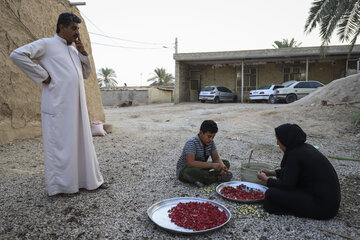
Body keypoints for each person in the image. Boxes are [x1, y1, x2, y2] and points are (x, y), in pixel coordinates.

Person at [10, 13, 108, 196]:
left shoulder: (73, 50)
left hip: (77, 108)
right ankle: (63, 187)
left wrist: (83, 52)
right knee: (61, 147)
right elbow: (17, 55)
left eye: (78, 29)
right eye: (73, 28)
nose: (77, 33)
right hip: (58, 107)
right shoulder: (46, 44)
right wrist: (43, 76)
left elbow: (86, 74)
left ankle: (88, 181)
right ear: (61, 27)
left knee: (81, 144)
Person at [257, 123, 341, 219]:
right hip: (328, 204)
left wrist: (267, 180)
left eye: (278, 140)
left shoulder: (294, 155)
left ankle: (290, 210)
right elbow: (293, 172)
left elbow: (287, 185)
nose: (277, 143)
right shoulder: (304, 148)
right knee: (273, 193)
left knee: (271, 194)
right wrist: (272, 173)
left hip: (322, 208)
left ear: (285, 140)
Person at [176, 120, 232, 187]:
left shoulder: (211, 142)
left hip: (201, 167)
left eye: (213, 137)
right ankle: (218, 178)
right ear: (201, 133)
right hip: (185, 170)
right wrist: (212, 165)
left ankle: (202, 179)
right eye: (209, 136)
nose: (211, 139)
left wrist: (223, 167)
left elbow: (216, 158)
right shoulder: (192, 143)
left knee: (226, 163)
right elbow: (190, 163)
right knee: (192, 172)